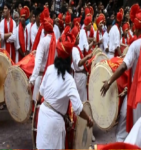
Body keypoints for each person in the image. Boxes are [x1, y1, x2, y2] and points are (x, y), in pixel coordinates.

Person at [36, 32, 93, 149]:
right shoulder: (69, 80)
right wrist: (88, 119)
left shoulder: (50, 69)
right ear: (69, 60)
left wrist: (37, 105)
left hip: (42, 115)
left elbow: (39, 95)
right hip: (54, 122)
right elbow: (78, 108)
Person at [100, 3, 141, 141]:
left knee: (126, 126)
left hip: (136, 94)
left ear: (136, 28)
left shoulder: (135, 45)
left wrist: (109, 81)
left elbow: (124, 67)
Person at [28, 12, 56, 104]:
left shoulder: (43, 41)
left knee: (38, 108)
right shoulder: (55, 41)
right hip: (51, 79)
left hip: (41, 79)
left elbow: (38, 63)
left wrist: (31, 81)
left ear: (44, 29)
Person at [71, 26, 92, 102]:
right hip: (79, 77)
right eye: (78, 37)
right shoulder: (74, 49)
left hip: (80, 76)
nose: (79, 38)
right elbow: (79, 63)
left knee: (82, 97)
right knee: (81, 99)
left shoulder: (76, 48)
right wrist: (87, 57)